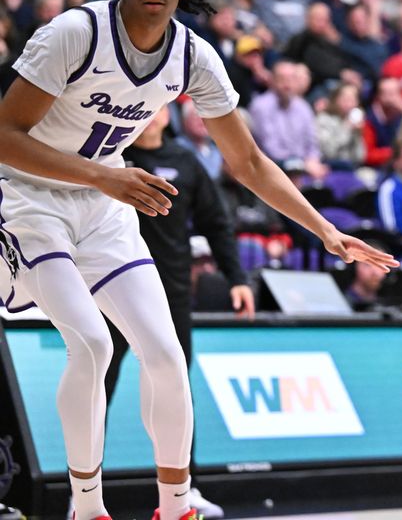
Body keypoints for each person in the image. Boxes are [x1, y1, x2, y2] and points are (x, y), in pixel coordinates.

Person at [0, 0, 397, 520]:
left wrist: (325, 230)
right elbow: (4, 137)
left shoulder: (192, 55)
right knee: (91, 343)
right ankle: (86, 508)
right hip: (29, 198)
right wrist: (104, 176)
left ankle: (176, 504)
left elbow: (249, 162)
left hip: (102, 202)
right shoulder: (74, 33)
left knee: (165, 354)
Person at [104, 108, 248, 519]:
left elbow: (217, 222)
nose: (151, 113)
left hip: (170, 296)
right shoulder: (109, 155)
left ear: (167, 114)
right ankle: (82, 493)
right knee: (98, 386)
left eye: (159, 106)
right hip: (108, 291)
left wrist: (236, 277)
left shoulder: (185, 161)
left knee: (175, 390)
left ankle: (186, 491)